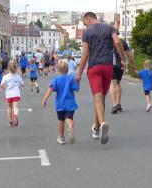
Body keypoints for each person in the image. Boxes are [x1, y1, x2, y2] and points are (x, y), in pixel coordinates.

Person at [75, 12, 127, 144]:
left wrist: (79, 73)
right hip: (107, 67)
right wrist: (122, 59)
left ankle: (102, 123)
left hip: (94, 68)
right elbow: (118, 42)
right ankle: (97, 128)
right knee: (102, 98)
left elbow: (85, 54)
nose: (85, 26)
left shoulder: (87, 33)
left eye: (85, 23)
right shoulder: (109, 28)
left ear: (89, 18)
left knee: (97, 99)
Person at [42, 59, 79, 145]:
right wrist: (77, 82)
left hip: (60, 104)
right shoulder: (71, 79)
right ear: (68, 69)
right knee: (69, 118)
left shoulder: (56, 80)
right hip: (70, 104)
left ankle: (61, 138)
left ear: (58, 70)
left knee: (61, 121)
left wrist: (45, 99)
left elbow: (50, 89)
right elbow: (77, 89)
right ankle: (70, 127)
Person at [110, 36, 135, 114]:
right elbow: (130, 55)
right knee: (118, 83)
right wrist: (133, 65)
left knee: (112, 83)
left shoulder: (107, 42)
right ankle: (118, 104)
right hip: (120, 64)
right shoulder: (123, 42)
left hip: (110, 65)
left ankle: (114, 104)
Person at [0, 60, 25, 127]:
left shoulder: (5, 76)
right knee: (15, 108)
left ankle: (10, 121)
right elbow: (23, 84)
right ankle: (15, 115)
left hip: (8, 94)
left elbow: (1, 85)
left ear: (8, 68)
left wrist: (5, 87)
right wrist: (18, 85)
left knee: (9, 107)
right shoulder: (18, 76)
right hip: (16, 93)